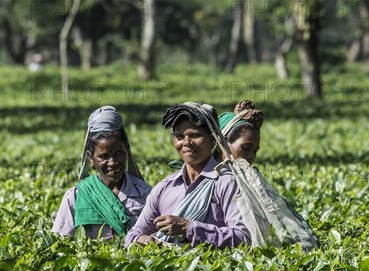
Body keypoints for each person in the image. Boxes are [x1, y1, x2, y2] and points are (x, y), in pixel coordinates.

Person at [125, 102, 251, 249]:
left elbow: (243, 238)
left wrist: (189, 228)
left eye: (195, 135)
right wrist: (144, 239)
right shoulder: (165, 187)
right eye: (179, 136)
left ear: (213, 139)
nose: (186, 142)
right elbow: (134, 234)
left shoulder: (227, 183)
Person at [217, 100, 320, 250]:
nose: (251, 156)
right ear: (223, 143)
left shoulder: (249, 181)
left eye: (255, 151)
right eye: (245, 148)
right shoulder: (206, 180)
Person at [52, 106, 152, 239]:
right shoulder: (75, 197)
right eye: (104, 156)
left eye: (119, 154)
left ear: (126, 152)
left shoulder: (145, 195)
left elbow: (161, 240)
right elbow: (60, 242)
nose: (113, 162)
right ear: (91, 159)